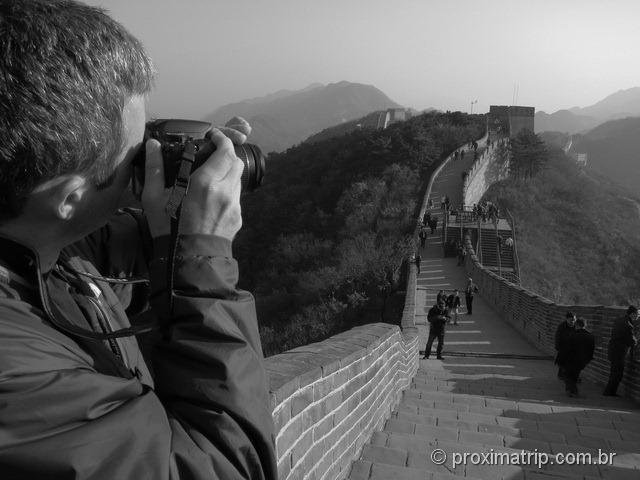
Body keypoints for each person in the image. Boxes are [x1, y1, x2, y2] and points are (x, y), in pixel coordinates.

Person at [0, 1, 277, 478]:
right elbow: (228, 466)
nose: (140, 166)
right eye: (133, 157)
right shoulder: (16, 377)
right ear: (67, 198)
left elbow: (109, 261)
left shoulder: (36, 247)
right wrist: (205, 250)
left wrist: (180, 208)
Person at [603, 306, 639, 396]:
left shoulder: (619, 320)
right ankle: (609, 392)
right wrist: (636, 339)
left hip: (613, 349)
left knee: (614, 372)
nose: (638, 316)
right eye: (637, 314)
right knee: (618, 374)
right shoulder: (628, 325)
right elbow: (631, 341)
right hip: (619, 352)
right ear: (633, 314)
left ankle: (609, 391)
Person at [564, 318, 595, 397]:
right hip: (583, 360)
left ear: (576, 325)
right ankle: (570, 390)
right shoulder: (590, 336)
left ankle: (573, 391)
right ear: (585, 325)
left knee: (569, 375)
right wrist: (587, 360)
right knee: (575, 375)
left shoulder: (572, 335)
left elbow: (567, 348)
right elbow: (591, 351)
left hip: (571, 359)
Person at [554, 311, 576, 379]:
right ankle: (562, 374)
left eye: (574, 320)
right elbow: (557, 337)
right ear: (566, 319)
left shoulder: (577, 326)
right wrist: (558, 347)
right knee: (563, 362)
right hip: (563, 347)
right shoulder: (562, 326)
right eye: (571, 320)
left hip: (573, 347)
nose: (572, 321)